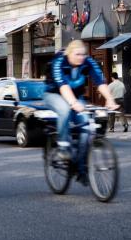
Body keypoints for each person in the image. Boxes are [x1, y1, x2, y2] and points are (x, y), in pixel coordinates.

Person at [44, 40, 117, 185]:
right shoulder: (60, 61)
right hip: (54, 94)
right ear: (69, 53)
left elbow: (100, 81)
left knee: (88, 126)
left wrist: (110, 99)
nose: (81, 57)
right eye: (77, 54)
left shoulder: (87, 61)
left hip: (76, 97)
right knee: (65, 109)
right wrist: (73, 103)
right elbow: (63, 86)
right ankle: (64, 147)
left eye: (83, 54)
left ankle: (81, 167)